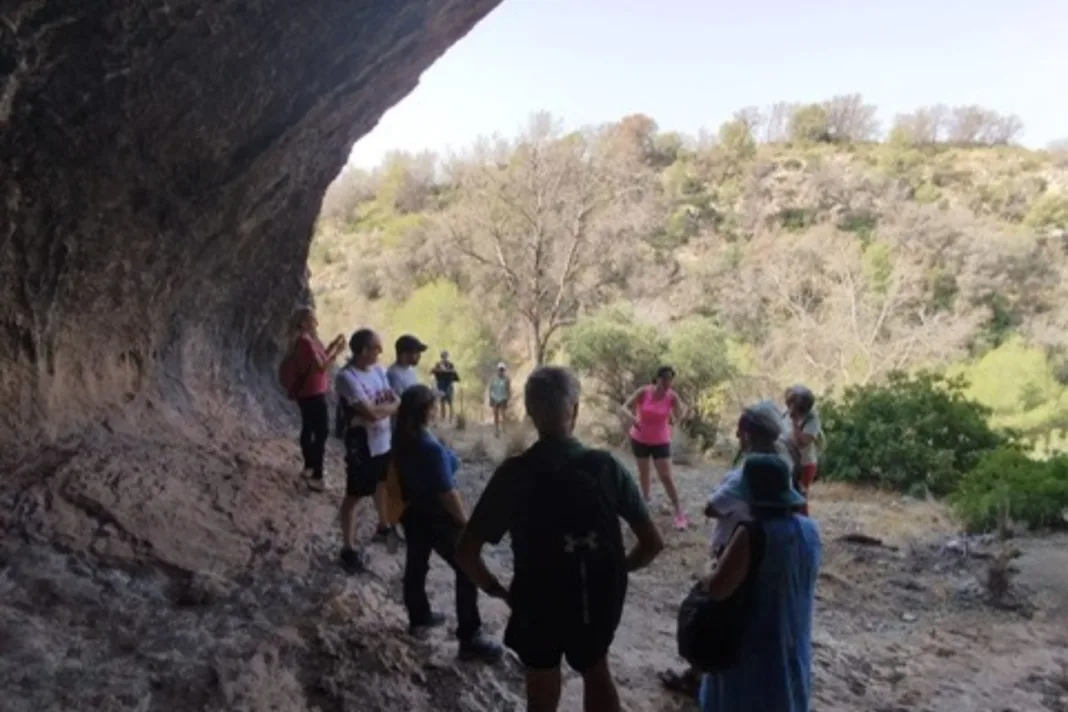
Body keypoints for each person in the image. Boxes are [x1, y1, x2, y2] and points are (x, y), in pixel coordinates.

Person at [457, 366, 664, 712]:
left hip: (537, 595)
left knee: (541, 679)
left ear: (530, 413)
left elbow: (466, 552)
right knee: (597, 669)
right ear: (576, 410)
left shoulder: (514, 473)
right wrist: (616, 571)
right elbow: (653, 543)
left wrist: (498, 590)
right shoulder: (605, 467)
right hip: (594, 593)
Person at [659, 400, 799, 699]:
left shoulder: (745, 476)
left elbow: (712, 508)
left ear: (748, 433)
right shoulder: (783, 469)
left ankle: (701, 678)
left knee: (709, 618)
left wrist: (708, 568)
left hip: (734, 550)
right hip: (771, 557)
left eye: (740, 430)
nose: (736, 436)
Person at [696, 453, 821, 712]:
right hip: (793, 644)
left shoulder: (753, 534)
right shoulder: (810, 530)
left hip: (751, 653)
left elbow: (718, 589)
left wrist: (708, 569)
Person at [391, 384, 504, 661]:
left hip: (412, 511)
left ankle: (419, 616)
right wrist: (464, 523)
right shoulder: (428, 446)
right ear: (427, 411)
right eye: (433, 405)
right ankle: (470, 637)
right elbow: (448, 493)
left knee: (417, 563)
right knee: (467, 569)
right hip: (437, 516)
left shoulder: (403, 436)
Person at [335, 328, 399, 573]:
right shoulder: (347, 378)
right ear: (363, 351)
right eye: (376, 348)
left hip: (382, 439)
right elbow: (371, 412)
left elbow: (392, 401)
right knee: (355, 494)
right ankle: (347, 548)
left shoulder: (378, 371)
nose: (380, 353)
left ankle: (383, 527)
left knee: (381, 483)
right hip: (361, 442)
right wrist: (384, 409)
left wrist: (380, 410)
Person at [621, 365, 690, 531]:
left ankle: (679, 512)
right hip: (640, 438)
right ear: (658, 378)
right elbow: (624, 407)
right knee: (644, 473)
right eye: (665, 378)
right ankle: (644, 506)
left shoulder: (672, 396)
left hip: (661, 441)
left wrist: (677, 418)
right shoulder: (644, 391)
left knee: (666, 476)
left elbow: (683, 410)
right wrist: (633, 418)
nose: (667, 382)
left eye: (670, 379)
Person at [286, 307, 345, 492]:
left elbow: (319, 358)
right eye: (312, 320)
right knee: (321, 431)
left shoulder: (309, 341)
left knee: (310, 428)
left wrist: (333, 345)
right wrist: (337, 353)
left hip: (311, 391)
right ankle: (317, 473)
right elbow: (321, 367)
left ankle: (310, 466)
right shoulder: (305, 342)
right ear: (303, 322)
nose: (316, 323)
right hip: (312, 392)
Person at [787, 385, 822, 516]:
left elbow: (803, 442)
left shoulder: (812, 419)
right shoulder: (787, 414)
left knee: (800, 495)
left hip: (805, 463)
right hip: (790, 461)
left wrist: (795, 423)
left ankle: (804, 524)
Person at [431, 350, 461, 422]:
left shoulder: (450, 364)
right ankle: (443, 417)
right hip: (441, 384)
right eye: (443, 356)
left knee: (450, 401)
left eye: (446, 356)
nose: (444, 357)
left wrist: (446, 371)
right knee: (442, 401)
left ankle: (451, 418)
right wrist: (441, 370)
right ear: (441, 356)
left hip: (448, 385)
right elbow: (433, 370)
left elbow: (453, 372)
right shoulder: (438, 364)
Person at [487, 362, 511, 438]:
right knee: (495, 414)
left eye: (502, 369)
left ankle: (503, 429)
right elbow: (490, 388)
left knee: (503, 414)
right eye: (500, 369)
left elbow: (508, 389)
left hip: (503, 397)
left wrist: (508, 398)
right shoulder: (493, 378)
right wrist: (490, 398)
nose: (501, 371)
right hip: (495, 397)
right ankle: (496, 429)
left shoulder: (506, 379)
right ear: (497, 370)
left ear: (504, 370)